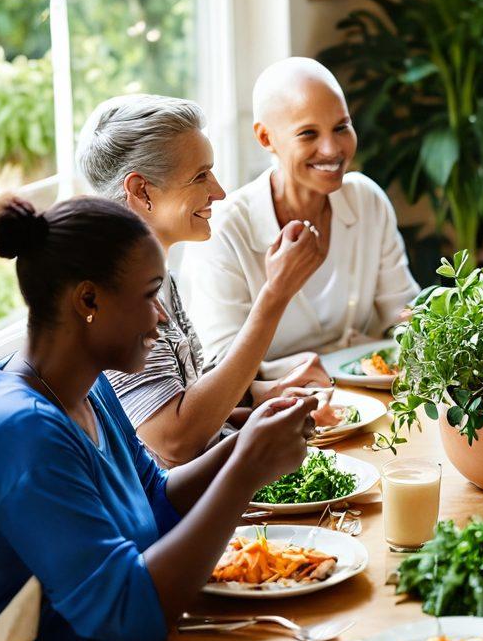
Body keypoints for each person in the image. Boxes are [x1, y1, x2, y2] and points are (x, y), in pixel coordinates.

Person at [0, 195, 374, 641]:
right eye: (149, 295)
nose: (161, 318)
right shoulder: (24, 435)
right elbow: (135, 609)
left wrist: (241, 446)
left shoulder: (90, 388)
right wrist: (245, 468)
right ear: (88, 301)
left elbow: (157, 500)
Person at [75, 94, 335, 466]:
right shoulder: (116, 296)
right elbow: (175, 443)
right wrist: (275, 294)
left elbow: (186, 400)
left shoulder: (159, 277)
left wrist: (267, 396)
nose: (219, 191)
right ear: (141, 191)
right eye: (201, 176)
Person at [184, 58, 420, 370]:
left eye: (341, 127)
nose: (331, 149)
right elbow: (222, 368)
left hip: (368, 401)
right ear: (266, 138)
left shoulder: (366, 200)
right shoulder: (222, 230)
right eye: (308, 133)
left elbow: (404, 315)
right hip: (269, 411)